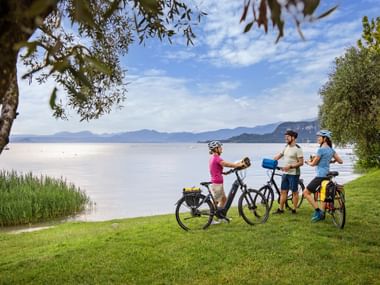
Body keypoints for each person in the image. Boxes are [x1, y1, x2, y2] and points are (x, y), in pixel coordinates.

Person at [303, 130, 343, 222]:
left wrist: (308, 162)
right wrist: (331, 161)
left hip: (320, 176)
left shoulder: (321, 150)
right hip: (328, 176)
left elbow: (314, 163)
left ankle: (318, 212)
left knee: (306, 193)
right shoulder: (331, 150)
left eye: (319, 137)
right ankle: (322, 213)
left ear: (325, 139)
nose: (318, 138)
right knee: (323, 195)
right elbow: (340, 161)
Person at [273, 129, 304, 214]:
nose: (286, 139)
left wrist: (290, 166)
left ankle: (294, 209)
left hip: (294, 174)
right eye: (285, 137)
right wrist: (272, 160)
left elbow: (301, 162)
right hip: (285, 173)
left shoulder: (298, 149)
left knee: (294, 192)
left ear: (293, 138)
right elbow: (279, 156)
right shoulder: (286, 147)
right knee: (283, 191)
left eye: (287, 137)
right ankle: (281, 209)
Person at [208, 141, 245, 212]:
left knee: (224, 199)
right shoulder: (217, 158)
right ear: (216, 149)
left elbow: (214, 169)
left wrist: (225, 172)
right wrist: (238, 165)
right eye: (220, 147)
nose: (221, 148)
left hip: (217, 181)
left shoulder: (213, 158)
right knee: (216, 201)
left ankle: (220, 215)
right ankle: (211, 218)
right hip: (217, 182)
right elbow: (227, 164)